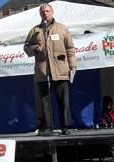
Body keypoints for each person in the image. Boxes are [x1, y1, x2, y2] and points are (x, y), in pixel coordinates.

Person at [24, 3, 77, 136]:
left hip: (61, 70)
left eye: (47, 11)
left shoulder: (62, 29)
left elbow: (70, 49)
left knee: (63, 100)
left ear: (52, 12)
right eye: (42, 12)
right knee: (44, 101)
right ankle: (47, 127)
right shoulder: (35, 30)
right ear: (40, 14)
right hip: (43, 71)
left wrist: (73, 66)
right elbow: (26, 47)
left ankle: (65, 126)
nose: (45, 13)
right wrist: (35, 48)